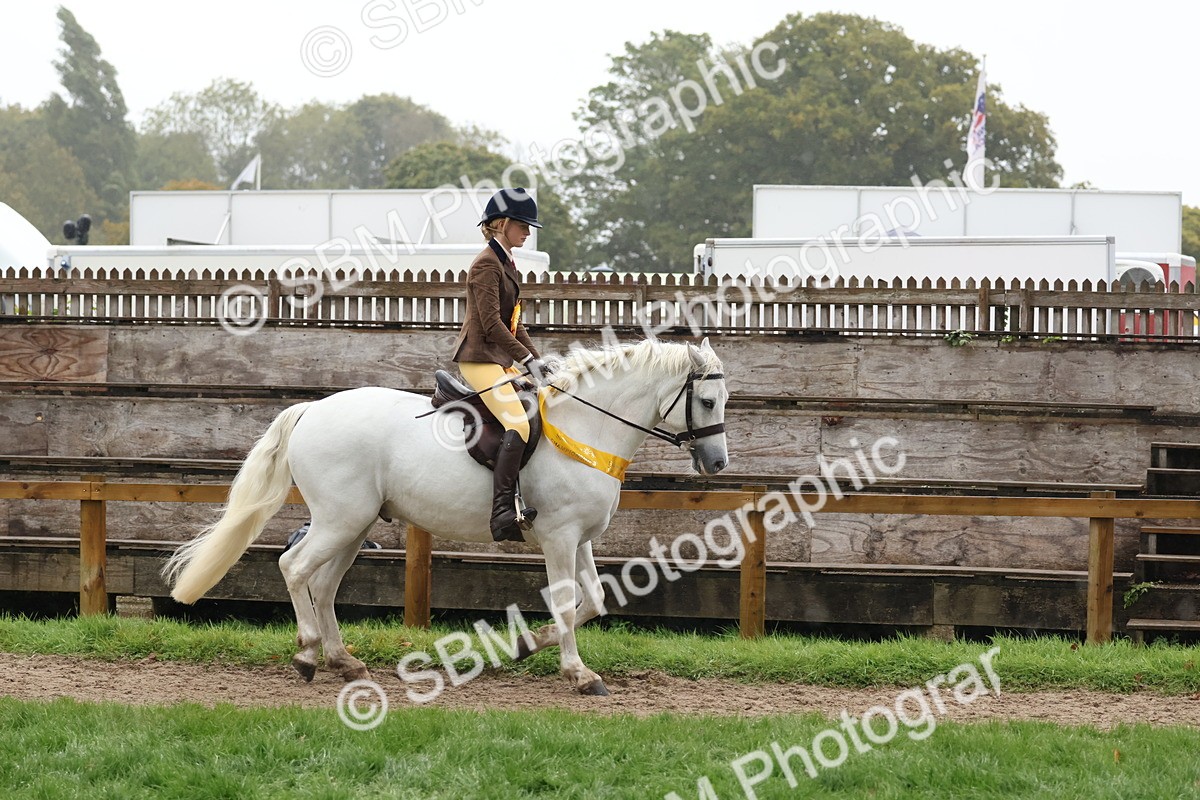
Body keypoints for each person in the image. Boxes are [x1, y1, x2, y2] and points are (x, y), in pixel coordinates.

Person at [451, 188, 548, 542]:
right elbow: (491, 325)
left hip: (498, 358)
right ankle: (502, 511)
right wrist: (524, 360)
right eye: (523, 225)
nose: (528, 232)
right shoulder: (485, 265)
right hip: (478, 358)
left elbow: (514, 323)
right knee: (519, 425)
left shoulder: (505, 261)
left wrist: (538, 361)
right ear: (503, 224)